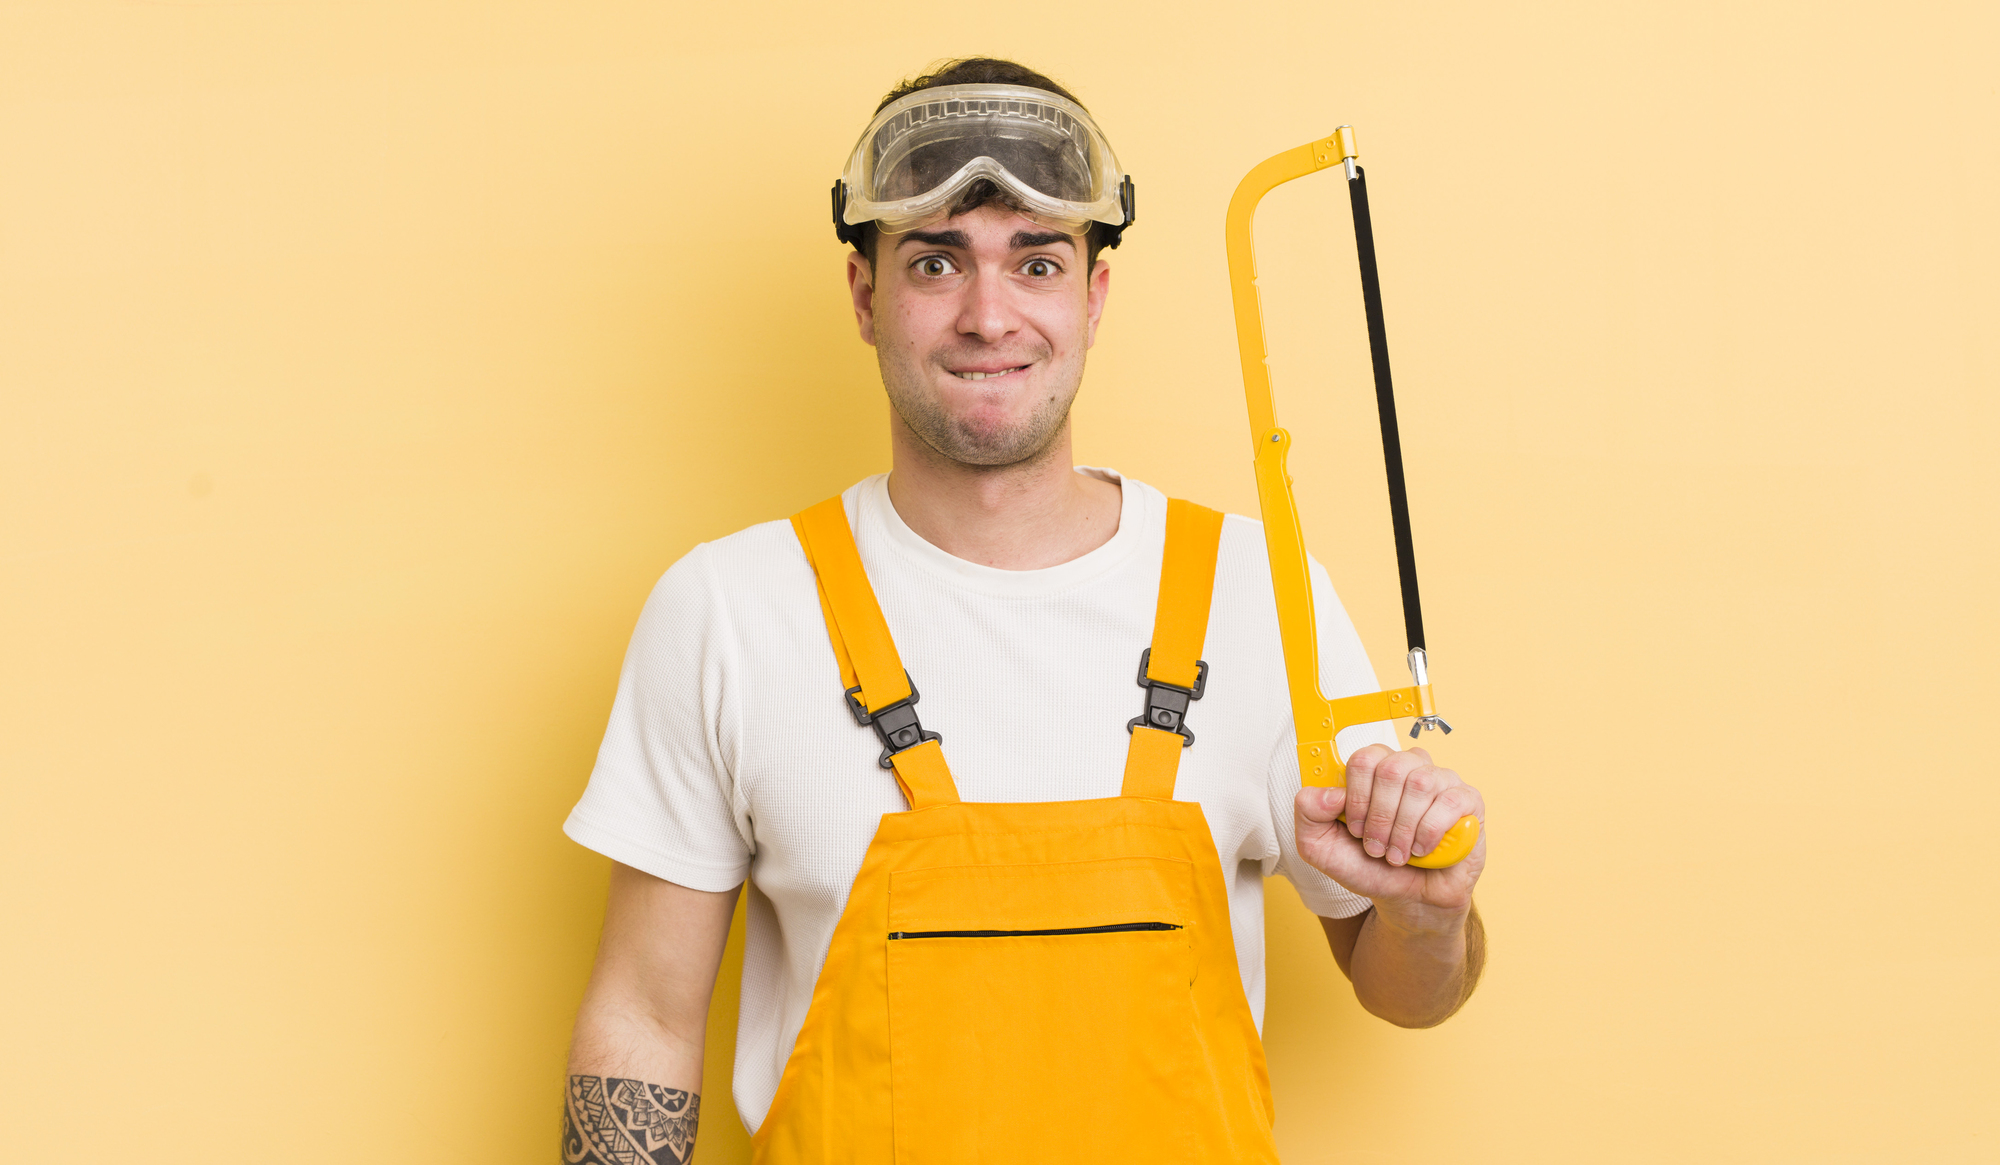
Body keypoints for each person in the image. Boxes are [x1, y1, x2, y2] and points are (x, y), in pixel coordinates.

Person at [559, 57, 1487, 1165]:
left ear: (1091, 297)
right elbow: (644, 1019)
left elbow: (1409, 995)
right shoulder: (726, 610)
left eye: (1035, 262)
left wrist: (1427, 915)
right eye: (935, 261)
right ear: (863, 295)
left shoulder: (1253, 591)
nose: (987, 314)